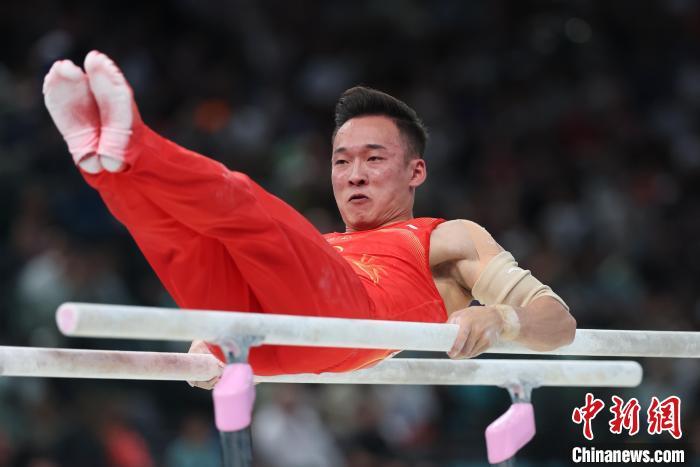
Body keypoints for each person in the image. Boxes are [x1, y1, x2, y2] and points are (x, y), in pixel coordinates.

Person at [42, 51, 576, 387]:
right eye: (342, 162)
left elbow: (559, 322)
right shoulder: (321, 246)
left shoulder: (445, 237)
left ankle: (134, 143)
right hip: (267, 337)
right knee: (181, 239)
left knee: (244, 206)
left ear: (416, 171)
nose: (354, 175)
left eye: (374, 159)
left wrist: (500, 319)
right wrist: (217, 348)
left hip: (347, 323)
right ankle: (101, 164)